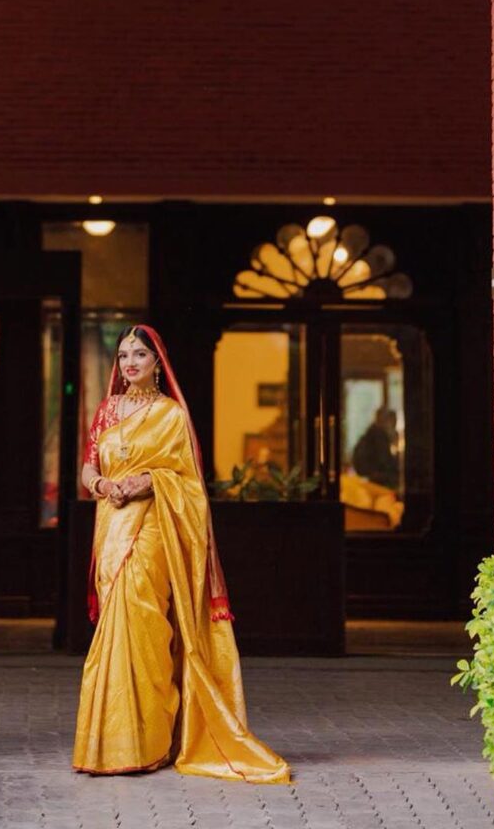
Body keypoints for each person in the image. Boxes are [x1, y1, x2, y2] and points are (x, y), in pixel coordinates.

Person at [72, 324, 290, 784]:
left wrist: (148, 480)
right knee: (114, 624)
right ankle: (110, 744)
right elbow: (89, 463)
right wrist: (102, 483)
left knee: (145, 620)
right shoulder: (107, 410)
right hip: (111, 524)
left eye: (139, 355)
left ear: (157, 363)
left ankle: (151, 743)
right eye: (124, 355)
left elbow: (189, 482)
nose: (130, 363)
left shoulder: (171, 415)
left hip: (153, 527)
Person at [351, 405, 399, 488]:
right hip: (374, 479)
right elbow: (385, 463)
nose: (394, 427)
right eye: (393, 422)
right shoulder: (379, 435)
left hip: (369, 477)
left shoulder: (371, 433)